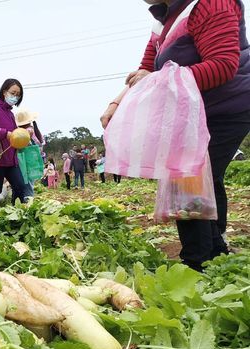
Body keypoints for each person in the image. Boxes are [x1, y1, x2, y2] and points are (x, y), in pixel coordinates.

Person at [100, 0, 250, 271]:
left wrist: (159, 81)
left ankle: (198, 263)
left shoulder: (212, 4)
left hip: (227, 106)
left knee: (188, 180)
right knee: (202, 180)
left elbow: (223, 65)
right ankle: (217, 254)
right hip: (193, 110)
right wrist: (115, 104)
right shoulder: (164, 19)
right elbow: (146, 71)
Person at [0, 78, 27, 219]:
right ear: (4, 92)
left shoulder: (10, 114)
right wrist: (5, 133)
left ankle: (14, 216)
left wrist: (23, 135)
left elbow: (14, 136)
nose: (15, 97)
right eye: (13, 93)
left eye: (18, 94)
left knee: (20, 187)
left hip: (11, 159)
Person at [15, 109, 44, 201]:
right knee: (28, 185)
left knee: (25, 185)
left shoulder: (25, 132)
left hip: (24, 164)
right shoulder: (32, 130)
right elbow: (41, 143)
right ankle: (27, 203)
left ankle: (25, 204)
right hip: (30, 165)